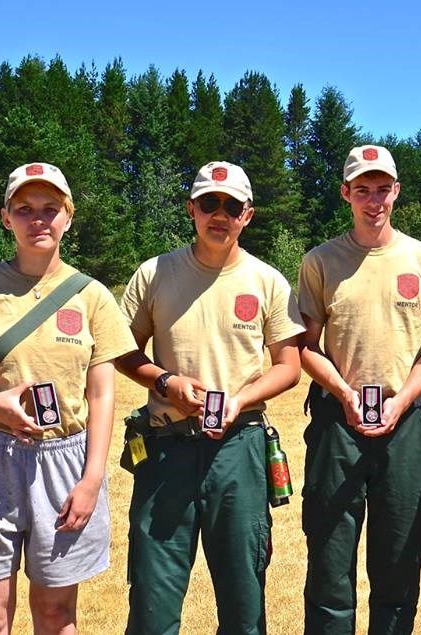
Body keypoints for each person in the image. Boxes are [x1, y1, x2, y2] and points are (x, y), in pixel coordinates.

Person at [0, 162, 136, 634]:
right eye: (24, 209)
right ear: (6, 217)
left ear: (68, 217)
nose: (37, 219)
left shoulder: (93, 297)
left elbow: (102, 395)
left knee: (57, 616)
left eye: (50, 208)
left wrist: (91, 479)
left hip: (65, 462)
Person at [117, 161, 305, 634]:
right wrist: (164, 383)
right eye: (208, 203)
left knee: (244, 603)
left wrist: (240, 400)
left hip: (238, 451)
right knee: (152, 603)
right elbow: (123, 352)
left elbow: (289, 366)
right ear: (191, 209)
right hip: (166, 449)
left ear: (248, 215)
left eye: (231, 205)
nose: (218, 214)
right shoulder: (154, 273)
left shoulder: (267, 281)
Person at [296, 145, 421, 634]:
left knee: (399, 555)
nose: (373, 199)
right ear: (345, 193)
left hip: (404, 424)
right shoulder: (320, 261)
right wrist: (344, 393)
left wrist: (402, 400)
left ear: (397, 191)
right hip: (335, 421)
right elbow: (306, 347)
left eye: (382, 188)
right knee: (329, 558)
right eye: (362, 189)